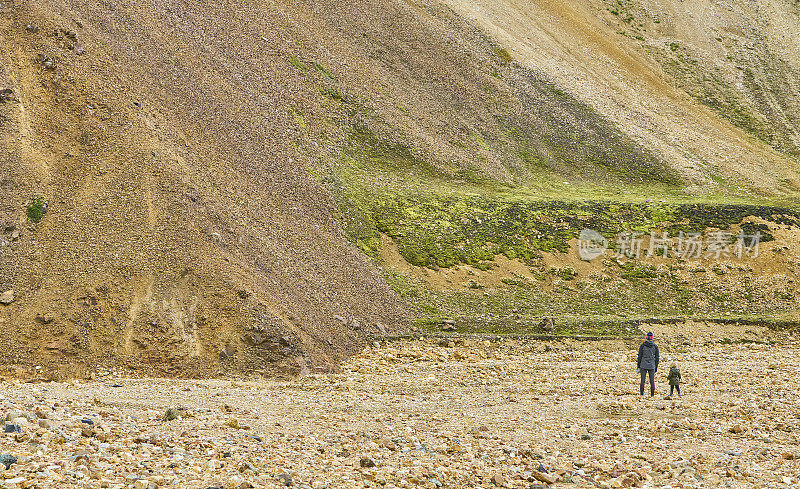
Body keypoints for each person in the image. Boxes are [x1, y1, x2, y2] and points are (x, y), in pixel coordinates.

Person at [637, 332, 659, 396]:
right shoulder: (655, 346)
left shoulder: (643, 345)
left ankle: (641, 394)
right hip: (652, 365)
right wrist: (656, 367)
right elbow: (657, 358)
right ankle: (652, 394)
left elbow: (639, 356)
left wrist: (638, 366)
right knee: (652, 381)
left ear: (646, 337)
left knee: (642, 381)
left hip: (643, 365)